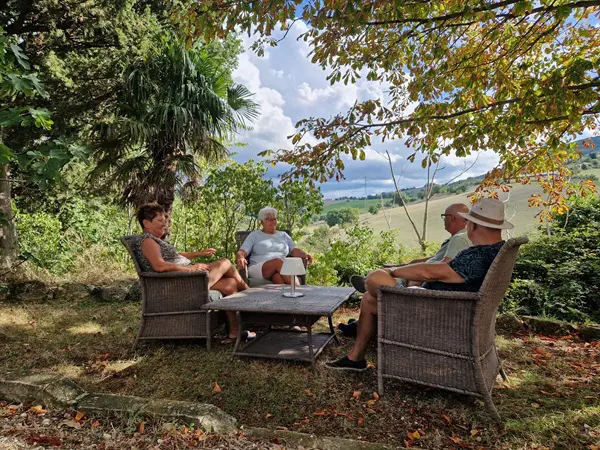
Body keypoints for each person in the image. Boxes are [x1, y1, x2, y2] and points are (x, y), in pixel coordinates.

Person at [326, 198, 513, 372]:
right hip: (451, 308)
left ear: (474, 225)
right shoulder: (497, 251)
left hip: (436, 313)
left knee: (375, 277)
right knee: (368, 298)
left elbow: (432, 272)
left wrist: (394, 271)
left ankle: (394, 294)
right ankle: (355, 358)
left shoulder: (478, 256)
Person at [339, 203, 472, 337]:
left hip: (422, 290)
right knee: (369, 295)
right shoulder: (459, 239)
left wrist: (413, 278)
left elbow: (441, 270)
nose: (444, 220)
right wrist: (408, 264)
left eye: (444, 216)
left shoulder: (460, 239)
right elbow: (435, 259)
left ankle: (368, 285)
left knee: (375, 283)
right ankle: (357, 326)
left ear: (452, 218)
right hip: (423, 283)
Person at [134, 203, 254, 341]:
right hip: (183, 283)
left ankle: (234, 331)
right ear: (146, 223)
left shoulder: (155, 241)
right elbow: (159, 266)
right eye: (160, 220)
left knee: (230, 284)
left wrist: (199, 253)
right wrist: (191, 268)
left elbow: (176, 257)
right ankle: (251, 295)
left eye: (164, 220)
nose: (164, 224)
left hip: (188, 279)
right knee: (225, 262)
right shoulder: (147, 241)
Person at [236, 206, 313, 284]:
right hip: (258, 268)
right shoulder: (254, 235)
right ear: (262, 222)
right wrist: (241, 257)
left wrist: (305, 255)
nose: (272, 221)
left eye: (274, 219)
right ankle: (298, 288)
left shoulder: (283, 235)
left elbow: (294, 250)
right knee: (277, 262)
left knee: (277, 277)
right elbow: (242, 251)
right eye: (268, 219)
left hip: (280, 269)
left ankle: (285, 291)